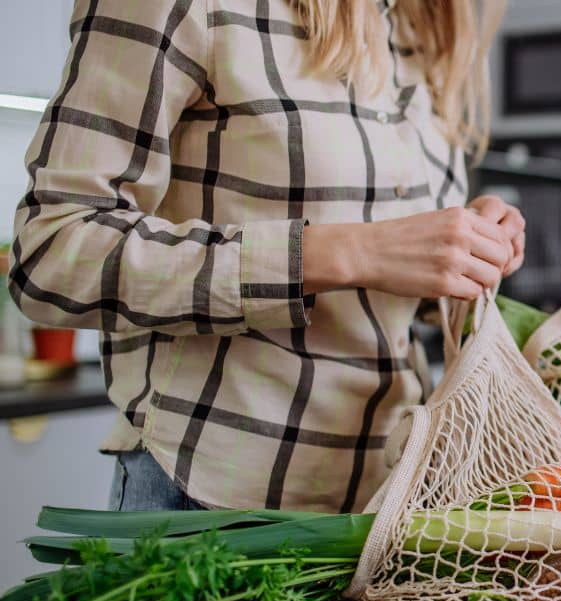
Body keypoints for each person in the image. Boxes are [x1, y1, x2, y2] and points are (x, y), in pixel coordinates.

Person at [8, 0, 523, 513]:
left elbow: (393, 289)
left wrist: (465, 249)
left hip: (390, 503)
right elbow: (52, 250)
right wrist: (344, 252)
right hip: (210, 501)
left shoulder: (421, 20)